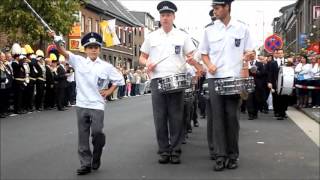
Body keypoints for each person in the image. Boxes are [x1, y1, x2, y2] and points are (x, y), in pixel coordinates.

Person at [49, 31, 124, 175]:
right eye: (90, 47)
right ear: (85, 49)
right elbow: (62, 51)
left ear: (100, 49)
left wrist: (109, 91)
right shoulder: (78, 61)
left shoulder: (106, 66)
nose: (93, 49)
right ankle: (85, 163)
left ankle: (97, 154)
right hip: (82, 104)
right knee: (83, 135)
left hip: (97, 105)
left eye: (96, 47)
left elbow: (119, 79)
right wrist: (56, 40)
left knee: (97, 133)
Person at [139, 1, 202, 164]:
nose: (165, 18)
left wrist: (192, 60)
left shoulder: (182, 36)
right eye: (162, 15)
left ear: (174, 17)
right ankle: (164, 150)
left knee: (176, 116)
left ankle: (175, 150)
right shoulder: (151, 36)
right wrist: (147, 64)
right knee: (160, 117)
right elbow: (142, 57)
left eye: (168, 15)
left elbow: (192, 55)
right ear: (159, 17)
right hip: (157, 79)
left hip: (176, 79)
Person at [198, 0, 254, 171]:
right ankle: (220, 156)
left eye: (217, 8)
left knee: (232, 118)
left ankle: (232, 155)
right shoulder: (209, 30)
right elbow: (203, 53)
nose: (214, 11)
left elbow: (250, 52)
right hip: (215, 79)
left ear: (227, 7)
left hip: (234, 79)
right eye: (213, 8)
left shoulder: (242, 28)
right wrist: (209, 65)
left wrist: (248, 60)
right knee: (217, 118)